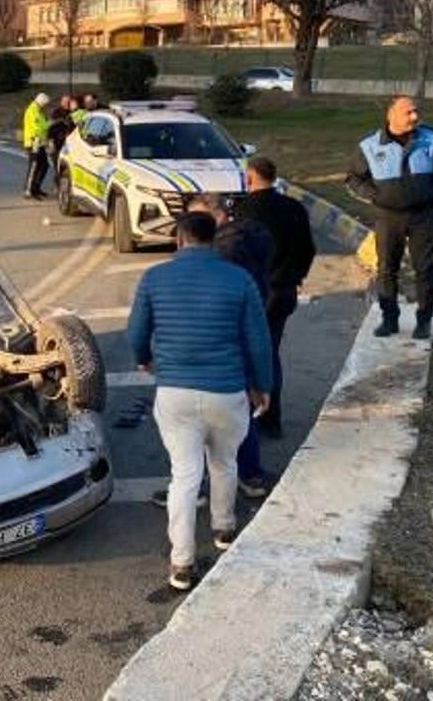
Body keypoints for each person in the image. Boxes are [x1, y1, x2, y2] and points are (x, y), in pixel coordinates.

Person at [127, 212, 273, 591]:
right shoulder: (238, 280)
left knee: (185, 476)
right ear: (214, 239)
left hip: (175, 393)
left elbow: (136, 331)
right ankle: (224, 529)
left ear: (179, 238)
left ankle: (181, 563)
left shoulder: (154, 278)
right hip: (226, 391)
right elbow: (258, 340)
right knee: (224, 462)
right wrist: (263, 385)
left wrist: (143, 357)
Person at [347, 95, 433, 340]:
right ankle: (389, 319)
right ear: (391, 115)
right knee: (387, 269)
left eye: (415, 111)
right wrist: (374, 196)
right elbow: (354, 178)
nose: (415, 117)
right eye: (408, 112)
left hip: (424, 215)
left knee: (425, 268)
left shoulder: (432, 139)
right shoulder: (370, 146)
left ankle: (424, 320)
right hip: (388, 217)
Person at [192, 193, 273, 499]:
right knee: (241, 412)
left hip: (218, 345)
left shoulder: (223, 253)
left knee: (200, 423)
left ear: (214, 217)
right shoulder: (249, 237)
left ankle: (202, 488)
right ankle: (250, 475)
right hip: (239, 344)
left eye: (195, 219)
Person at [240, 157, 315, 439]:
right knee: (271, 352)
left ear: (249, 179)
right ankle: (272, 419)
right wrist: (295, 276)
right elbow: (308, 248)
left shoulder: (243, 211)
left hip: (254, 292)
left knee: (249, 354)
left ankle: (251, 417)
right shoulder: (294, 208)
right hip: (284, 290)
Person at [23, 92, 52, 200]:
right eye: (45, 104)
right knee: (34, 168)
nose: (46, 106)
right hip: (33, 143)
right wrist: (49, 124)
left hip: (40, 144)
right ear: (41, 102)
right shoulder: (32, 111)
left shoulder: (38, 111)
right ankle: (29, 190)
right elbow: (37, 128)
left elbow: (42, 125)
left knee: (44, 166)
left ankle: (36, 188)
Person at [47, 95, 76, 182]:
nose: (66, 103)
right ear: (61, 102)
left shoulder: (72, 112)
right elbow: (50, 127)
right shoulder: (56, 112)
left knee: (67, 166)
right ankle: (58, 185)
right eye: (65, 101)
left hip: (68, 143)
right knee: (58, 165)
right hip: (57, 142)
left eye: (68, 102)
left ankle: (62, 185)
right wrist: (51, 141)